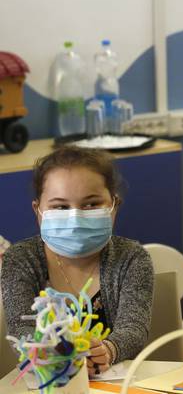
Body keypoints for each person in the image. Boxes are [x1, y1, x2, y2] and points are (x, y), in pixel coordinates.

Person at [1, 146, 154, 377]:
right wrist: (50, 353)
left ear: (114, 206)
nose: (75, 217)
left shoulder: (132, 257)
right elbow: (21, 328)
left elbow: (133, 328)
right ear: (38, 210)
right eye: (60, 207)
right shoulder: (20, 259)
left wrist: (107, 350)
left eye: (91, 204)